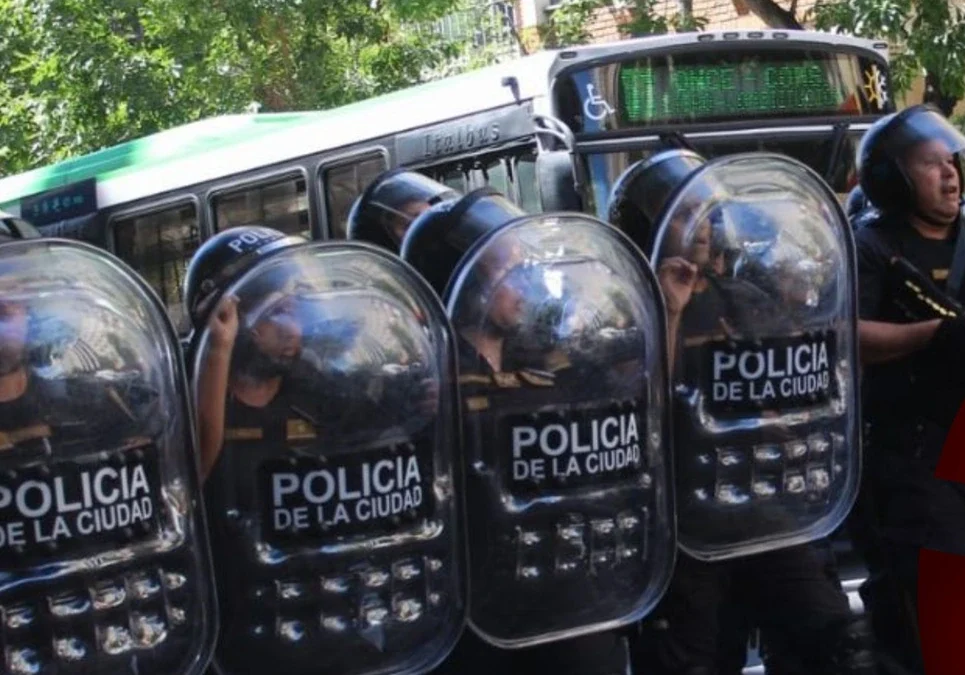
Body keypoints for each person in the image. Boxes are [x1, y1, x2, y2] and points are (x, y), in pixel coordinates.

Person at [607, 153, 873, 675]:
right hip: (686, 523)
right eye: (683, 214)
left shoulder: (748, 296)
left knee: (837, 642)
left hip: (769, 504)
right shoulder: (617, 310)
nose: (703, 227)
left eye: (707, 213)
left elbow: (801, 386)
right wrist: (669, 310)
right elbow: (632, 408)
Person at [401, 189, 641, 675]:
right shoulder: (420, 384)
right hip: (483, 610)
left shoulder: (546, 362)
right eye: (507, 271)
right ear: (459, 280)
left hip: (575, 595)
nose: (525, 282)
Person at [850, 103, 965, 673]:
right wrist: (936, 334)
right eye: (930, 165)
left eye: (953, 163)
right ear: (893, 177)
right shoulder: (869, 246)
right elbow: (844, 335)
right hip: (916, 455)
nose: (949, 175)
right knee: (935, 603)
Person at [346, 169, 460, 252]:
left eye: (429, 214)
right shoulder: (398, 282)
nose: (426, 224)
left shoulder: (458, 247)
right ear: (387, 243)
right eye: (408, 225)